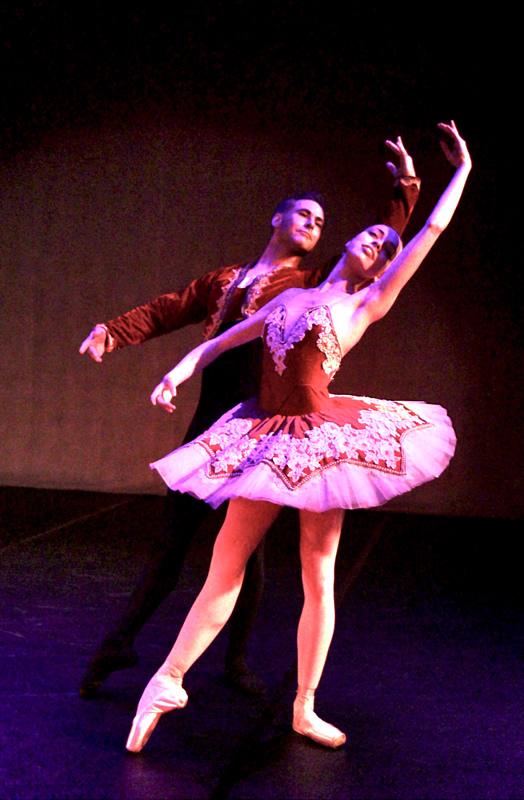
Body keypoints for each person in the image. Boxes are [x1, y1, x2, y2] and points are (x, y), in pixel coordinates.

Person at [124, 121, 471, 753]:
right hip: (268, 435)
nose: (377, 240)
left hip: (321, 441)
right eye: (373, 233)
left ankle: (304, 706)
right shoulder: (289, 299)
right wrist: (178, 370)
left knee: (319, 572)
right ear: (351, 239)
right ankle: (165, 682)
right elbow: (222, 341)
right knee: (224, 565)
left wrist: (462, 170)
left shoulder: (364, 305)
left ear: (380, 269)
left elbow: (430, 231)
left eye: (386, 246)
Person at [78, 141, 420, 698]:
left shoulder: (306, 285)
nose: (313, 225)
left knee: (245, 551)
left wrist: (404, 193)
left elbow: (378, 249)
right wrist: (112, 332)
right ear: (277, 219)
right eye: (304, 215)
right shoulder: (224, 279)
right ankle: (119, 644)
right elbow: (170, 308)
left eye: (321, 222)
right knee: (175, 538)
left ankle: (234, 660)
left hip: (256, 417)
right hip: (210, 418)